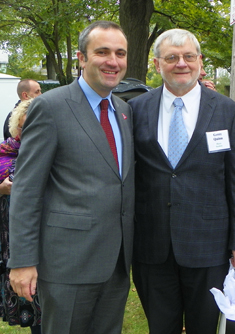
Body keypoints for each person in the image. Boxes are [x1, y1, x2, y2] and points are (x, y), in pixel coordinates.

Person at [8, 20, 135, 334]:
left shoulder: (123, 110)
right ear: (81, 58)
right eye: (102, 52)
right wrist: (22, 260)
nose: (113, 61)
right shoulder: (49, 107)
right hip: (68, 264)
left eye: (120, 53)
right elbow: (26, 189)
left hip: (117, 262)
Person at [128, 28, 235, 334]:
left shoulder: (228, 111)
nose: (181, 63)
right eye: (171, 57)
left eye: (188, 57)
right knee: (161, 326)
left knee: (205, 327)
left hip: (208, 243)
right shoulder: (135, 109)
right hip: (151, 244)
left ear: (200, 62)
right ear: (157, 65)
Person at [0, 99, 41, 334]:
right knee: (31, 299)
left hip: (49, 237)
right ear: (17, 129)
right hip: (13, 240)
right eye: (26, 127)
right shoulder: (4, 153)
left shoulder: (53, 152)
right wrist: (1, 189)